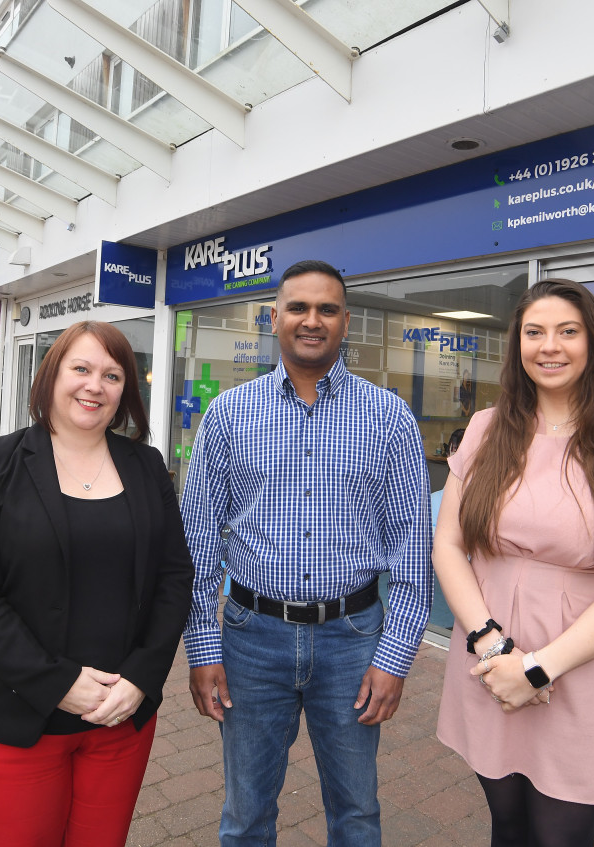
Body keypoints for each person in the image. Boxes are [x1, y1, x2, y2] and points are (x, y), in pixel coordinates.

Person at [182, 259, 432, 847]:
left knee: (356, 812)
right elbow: (197, 545)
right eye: (298, 307)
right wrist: (202, 647)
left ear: (346, 323)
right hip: (250, 638)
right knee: (245, 814)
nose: (311, 320)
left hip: (353, 639)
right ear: (274, 319)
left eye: (326, 309)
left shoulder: (388, 416)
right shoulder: (228, 415)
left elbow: (411, 552)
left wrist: (394, 657)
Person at [433, 279, 594, 847]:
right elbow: (448, 545)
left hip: (581, 666)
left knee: (561, 836)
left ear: (593, 343)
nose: (550, 346)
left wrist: (537, 669)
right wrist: (495, 648)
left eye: (567, 331)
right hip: (487, 656)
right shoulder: (485, 429)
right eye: (534, 332)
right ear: (517, 345)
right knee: (509, 825)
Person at [0, 321, 194, 847]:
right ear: (52, 376)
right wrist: (55, 683)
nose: (94, 386)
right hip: (15, 722)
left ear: (125, 391)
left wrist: (143, 676)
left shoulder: (147, 467)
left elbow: (174, 577)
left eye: (112, 375)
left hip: (118, 721)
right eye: (81, 368)